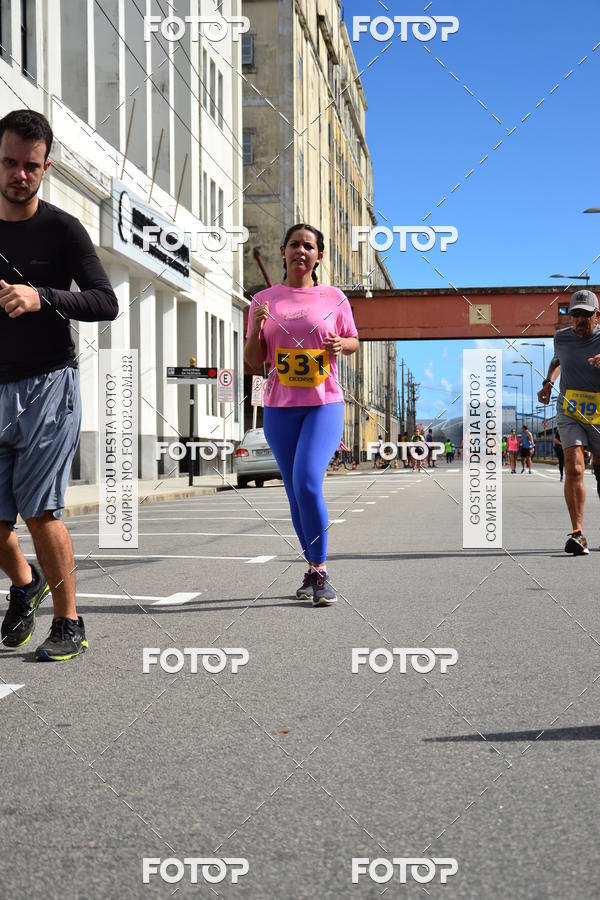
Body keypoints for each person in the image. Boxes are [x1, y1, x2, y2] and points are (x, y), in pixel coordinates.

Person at [0, 109, 118, 659]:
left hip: (49, 384)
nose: (18, 174)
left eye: (30, 165)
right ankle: (25, 585)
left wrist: (42, 295)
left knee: (40, 509)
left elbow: (104, 302)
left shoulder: (62, 229)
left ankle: (69, 622)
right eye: (8, 163)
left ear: (46, 167)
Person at [244, 223, 358, 604]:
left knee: (308, 482)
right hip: (279, 408)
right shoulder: (264, 300)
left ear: (318, 256)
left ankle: (322, 572)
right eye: (294, 244)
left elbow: (354, 339)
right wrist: (255, 329)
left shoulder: (334, 297)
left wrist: (343, 343)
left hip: (324, 403)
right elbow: (252, 363)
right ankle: (311, 568)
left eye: (309, 246)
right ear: (283, 251)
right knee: (294, 495)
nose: (301, 251)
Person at [537, 289, 600, 555]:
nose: (580, 321)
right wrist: (549, 383)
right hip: (570, 409)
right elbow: (557, 360)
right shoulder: (561, 338)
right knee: (574, 466)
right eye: (575, 315)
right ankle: (578, 533)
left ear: (597, 316)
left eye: (586, 315)